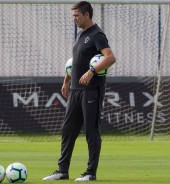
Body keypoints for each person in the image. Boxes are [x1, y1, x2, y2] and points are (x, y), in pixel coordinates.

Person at [43, 1, 116, 182]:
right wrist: (67, 79)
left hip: (91, 90)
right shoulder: (81, 35)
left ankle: (91, 173)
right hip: (76, 90)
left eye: (77, 15)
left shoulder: (97, 35)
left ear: (87, 15)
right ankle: (62, 171)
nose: (74, 19)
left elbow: (110, 57)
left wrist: (92, 72)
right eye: (73, 15)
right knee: (68, 130)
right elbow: (75, 61)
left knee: (91, 131)